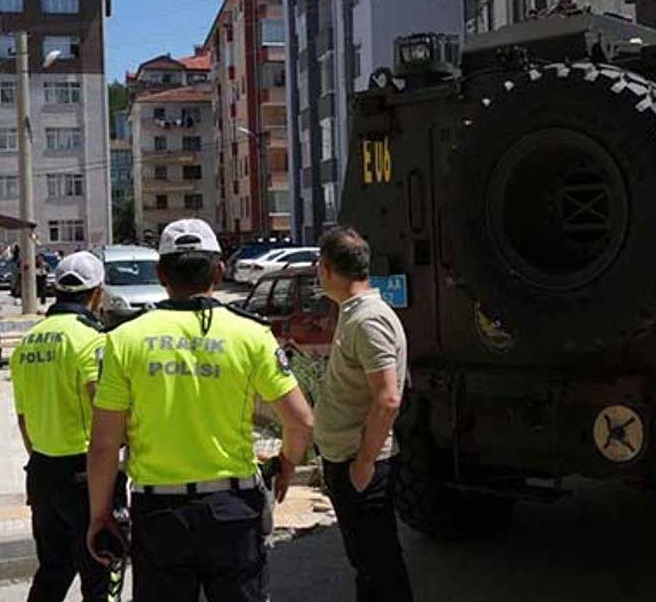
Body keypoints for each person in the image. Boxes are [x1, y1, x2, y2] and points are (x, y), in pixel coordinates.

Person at [86, 218, 315, 601]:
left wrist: (99, 514)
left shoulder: (124, 340)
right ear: (220, 270)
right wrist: (287, 463)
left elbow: (104, 446)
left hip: (158, 515)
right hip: (233, 511)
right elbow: (301, 420)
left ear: (161, 274)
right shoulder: (251, 334)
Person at [11, 252, 126, 602]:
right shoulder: (92, 341)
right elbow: (102, 407)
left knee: (52, 571)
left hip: (43, 473)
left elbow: (23, 420)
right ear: (97, 293)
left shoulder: (28, 342)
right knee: (103, 573)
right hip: (86, 475)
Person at [314, 226, 413, 601]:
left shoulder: (367, 319)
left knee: (381, 567)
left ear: (325, 268)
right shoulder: (354, 313)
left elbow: (388, 399)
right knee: (368, 568)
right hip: (349, 459)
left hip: (361, 465)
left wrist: (364, 464)